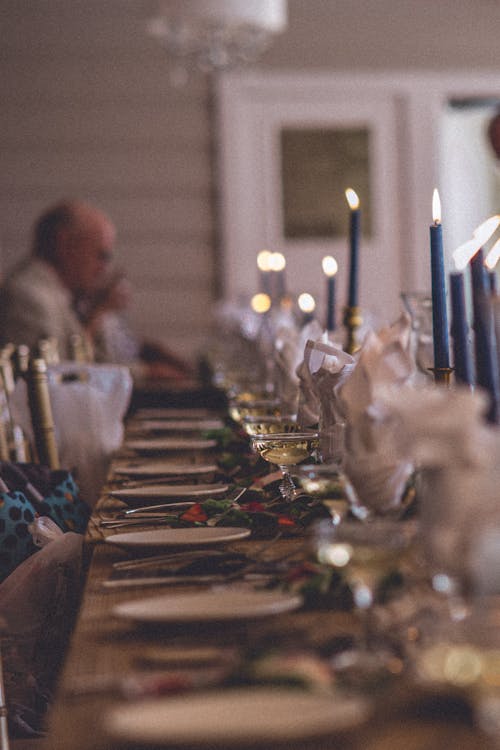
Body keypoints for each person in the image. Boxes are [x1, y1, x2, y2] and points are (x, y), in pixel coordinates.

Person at [0, 200, 190, 377]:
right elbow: (60, 377)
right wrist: (98, 314)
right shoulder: (29, 297)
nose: (104, 268)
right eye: (102, 255)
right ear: (64, 244)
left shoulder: (62, 294)